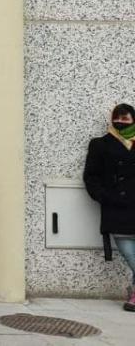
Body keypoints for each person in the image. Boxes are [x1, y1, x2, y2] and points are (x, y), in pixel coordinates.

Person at [83, 103, 135, 312]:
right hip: (117, 208)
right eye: (118, 119)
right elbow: (91, 176)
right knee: (130, 254)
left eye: (126, 119)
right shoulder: (100, 144)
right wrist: (105, 197)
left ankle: (134, 295)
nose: (121, 123)